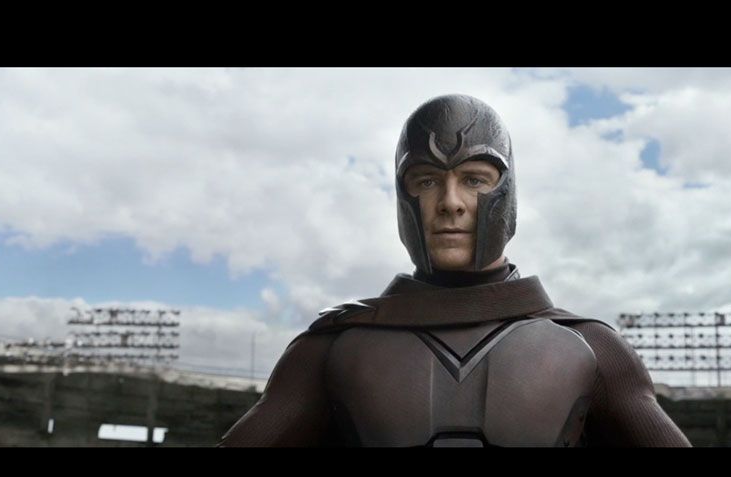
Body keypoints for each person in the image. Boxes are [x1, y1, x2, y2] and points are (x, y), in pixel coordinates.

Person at [219, 94, 690, 447]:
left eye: (474, 180)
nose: (450, 203)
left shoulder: (592, 349)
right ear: (404, 198)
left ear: (506, 193)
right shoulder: (329, 349)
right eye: (426, 180)